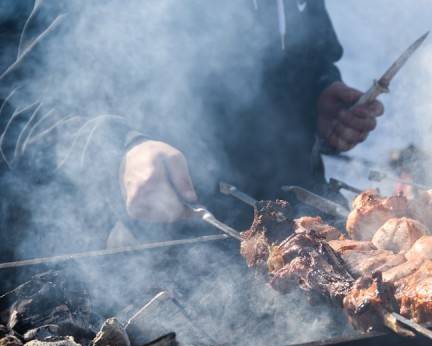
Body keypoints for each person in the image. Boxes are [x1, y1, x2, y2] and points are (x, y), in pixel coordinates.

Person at [0, 0, 384, 256]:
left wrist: (318, 101)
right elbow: (23, 110)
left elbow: (311, 57)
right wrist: (121, 151)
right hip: (170, 255)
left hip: (303, 237)